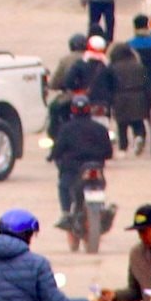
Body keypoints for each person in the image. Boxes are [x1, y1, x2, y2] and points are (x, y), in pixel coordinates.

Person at [49, 92, 113, 253]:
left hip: (73, 170)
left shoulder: (66, 129)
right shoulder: (100, 128)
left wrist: (52, 156)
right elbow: (109, 152)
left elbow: (57, 150)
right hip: (96, 168)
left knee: (64, 187)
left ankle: (65, 213)